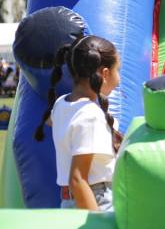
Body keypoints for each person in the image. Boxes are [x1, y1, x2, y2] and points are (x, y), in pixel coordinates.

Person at [34, 35, 123, 211]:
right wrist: (97, 226)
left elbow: (56, 123)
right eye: (117, 70)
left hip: (70, 201)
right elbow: (78, 180)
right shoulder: (90, 115)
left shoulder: (62, 104)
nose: (119, 79)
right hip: (94, 200)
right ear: (105, 74)